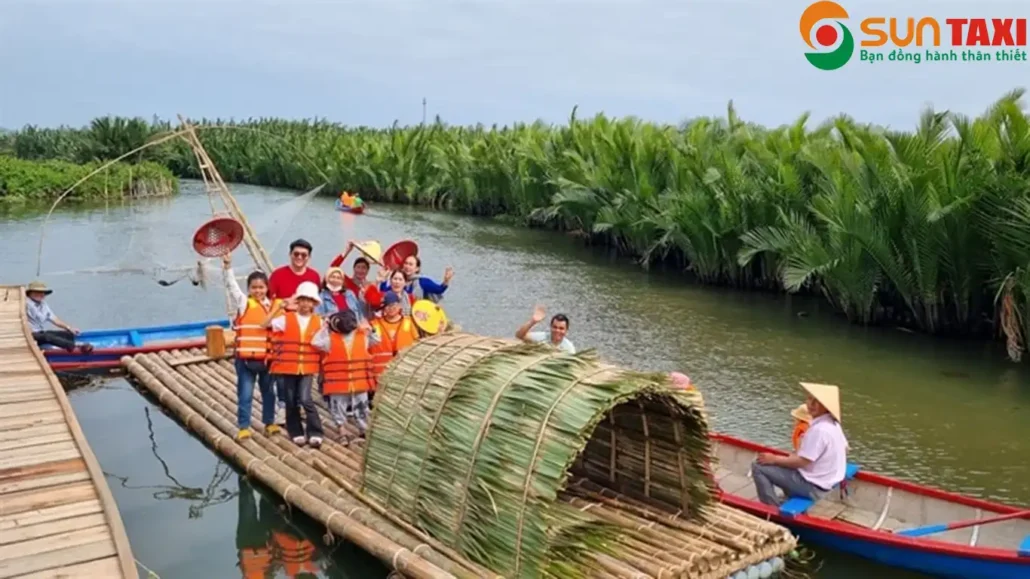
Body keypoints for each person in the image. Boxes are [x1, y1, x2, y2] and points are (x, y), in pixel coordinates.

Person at [752, 382, 848, 506]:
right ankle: (787, 496)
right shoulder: (834, 425)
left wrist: (774, 459)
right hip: (827, 481)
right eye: (809, 399)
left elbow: (802, 462)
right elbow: (845, 449)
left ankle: (771, 508)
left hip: (814, 488)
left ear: (826, 407)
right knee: (786, 462)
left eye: (816, 402)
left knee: (758, 467)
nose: (811, 404)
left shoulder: (819, 430)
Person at [224, 254, 282, 440]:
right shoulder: (243, 303)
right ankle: (243, 425)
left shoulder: (273, 306)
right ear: (249, 289)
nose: (258, 290)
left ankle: (269, 422)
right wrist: (227, 267)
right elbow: (232, 287)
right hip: (245, 360)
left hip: (266, 359)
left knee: (269, 393)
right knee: (245, 393)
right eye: (254, 287)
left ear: (267, 288)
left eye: (261, 287)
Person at [264, 282, 325, 448]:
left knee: (305, 399)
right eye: (303, 300)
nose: (306, 304)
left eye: (309, 300)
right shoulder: (286, 319)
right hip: (289, 367)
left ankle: (315, 431)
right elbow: (265, 324)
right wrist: (279, 308)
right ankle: (296, 431)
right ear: (298, 301)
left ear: (314, 303)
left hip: (307, 367)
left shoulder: (319, 322)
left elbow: (325, 344)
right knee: (290, 400)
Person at [313, 310, 379, 442]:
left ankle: (361, 429)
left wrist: (370, 329)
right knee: (341, 407)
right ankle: (343, 430)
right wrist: (325, 328)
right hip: (340, 382)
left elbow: (376, 340)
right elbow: (315, 343)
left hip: (356, 380)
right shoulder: (331, 340)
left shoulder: (362, 336)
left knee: (360, 407)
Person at [24, 281, 93, 354]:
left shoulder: (43, 304)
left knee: (68, 334)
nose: (41, 294)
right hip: (30, 335)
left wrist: (69, 328)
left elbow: (54, 319)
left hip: (40, 332)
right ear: (30, 293)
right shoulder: (26, 303)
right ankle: (75, 346)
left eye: (42, 292)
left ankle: (70, 346)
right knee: (47, 336)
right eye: (37, 292)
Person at [369, 292, 420, 390]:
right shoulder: (374, 325)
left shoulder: (408, 323)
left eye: (393, 305)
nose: (390, 308)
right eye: (387, 306)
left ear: (399, 306)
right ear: (383, 309)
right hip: (380, 378)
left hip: (404, 374)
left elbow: (417, 345)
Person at [235, 475, 276, 579]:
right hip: (260, 542)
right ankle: (263, 478)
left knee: (247, 503)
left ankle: (245, 475)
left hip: (247, 542)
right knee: (256, 504)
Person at [268, 239, 321, 305]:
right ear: (290, 254)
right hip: (282, 313)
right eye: (296, 254)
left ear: (309, 257)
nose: (299, 257)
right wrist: (285, 303)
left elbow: (317, 302)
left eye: (303, 255)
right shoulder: (277, 275)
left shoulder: (314, 276)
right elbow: (268, 300)